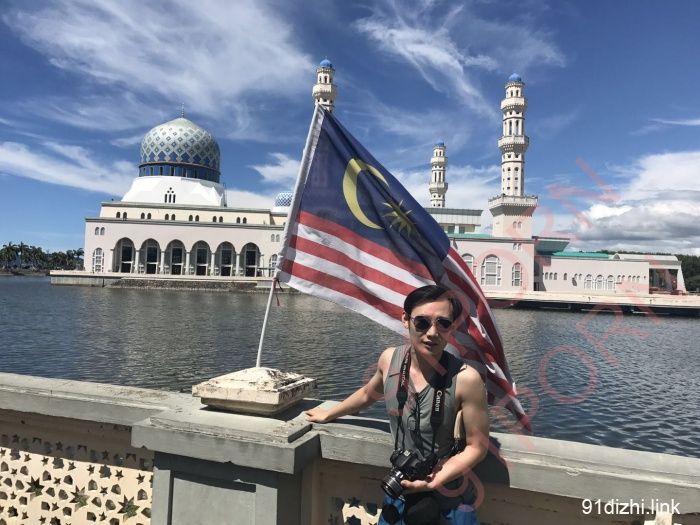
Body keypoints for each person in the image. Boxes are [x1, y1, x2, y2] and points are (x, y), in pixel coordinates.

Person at [305, 284, 490, 525]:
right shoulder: (390, 360)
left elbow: (478, 447)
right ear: (406, 320)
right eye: (422, 322)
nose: (432, 333)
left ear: (452, 327)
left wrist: (435, 479)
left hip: (450, 500)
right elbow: (368, 394)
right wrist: (329, 413)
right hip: (400, 492)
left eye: (443, 324)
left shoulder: (466, 379)